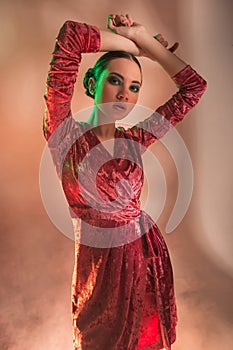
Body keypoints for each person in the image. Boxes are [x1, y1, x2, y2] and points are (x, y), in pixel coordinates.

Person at [43, 14, 207, 350]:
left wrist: (150, 45)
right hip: (97, 271)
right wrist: (131, 43)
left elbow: (194, 88)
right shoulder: (64, 136)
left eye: (134, 86)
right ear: (92, 83)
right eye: (115, 80)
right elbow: (71, 35)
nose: (125, 94)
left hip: (145, 261)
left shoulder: (135, 139)